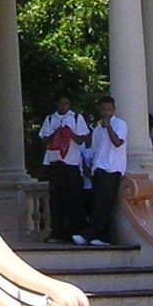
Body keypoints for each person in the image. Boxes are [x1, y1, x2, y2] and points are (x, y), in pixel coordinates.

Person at [75, 96, 127, 246]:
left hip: (112, 168)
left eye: (109, 109)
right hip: (98, 167)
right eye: (104, 109)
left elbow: (117, 142)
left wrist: (108, 126)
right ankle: (103, 236)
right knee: (99, 203)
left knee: (103, 203)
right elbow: (94, 149)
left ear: (113, 110)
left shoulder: (120, 124)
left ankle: (89, 234)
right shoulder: (97, 129)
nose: (106, 112)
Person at [38, 95, 90, 242]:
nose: (63, 106)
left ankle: (76, 231)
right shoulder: (50, 119)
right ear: (57, 104)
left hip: (72, 164)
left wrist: (69, 133)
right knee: (56, 200)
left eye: (66, 103)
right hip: (56, 164)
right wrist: (56, 133)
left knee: (74, 199)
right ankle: (57, 232)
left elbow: (81, 139)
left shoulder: (76, 118)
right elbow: (44, 140)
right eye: (61, 103)